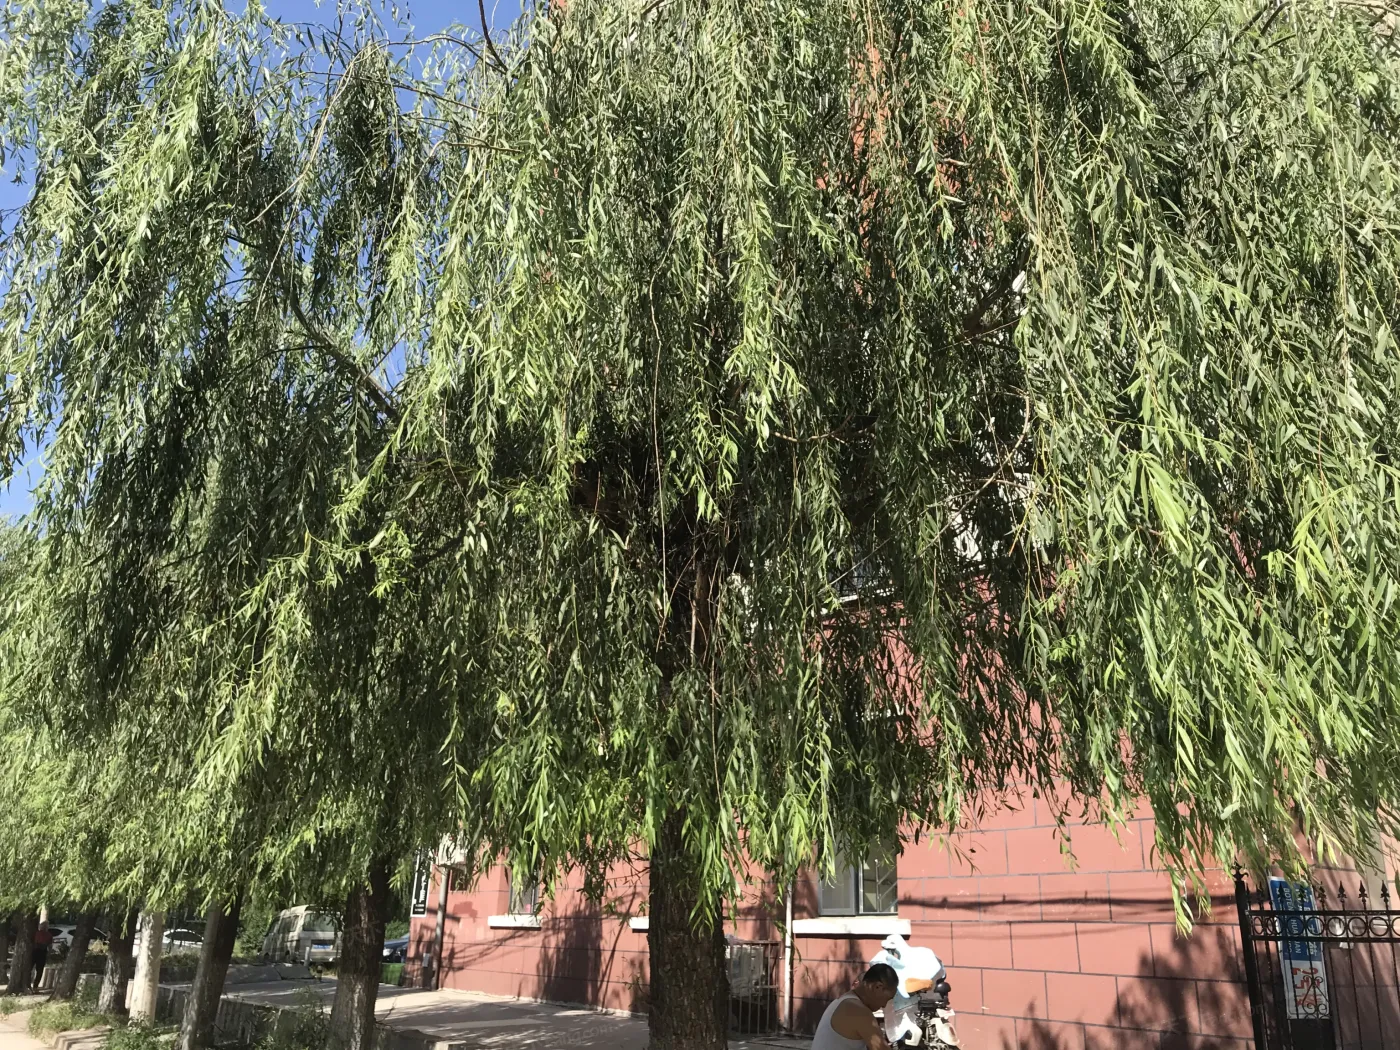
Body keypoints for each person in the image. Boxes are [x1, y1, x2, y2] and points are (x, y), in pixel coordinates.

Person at [812, 962, 900, 1050]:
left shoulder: (845, 1001)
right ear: (877, 987)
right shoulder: (858, 1011)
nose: (884, 1005)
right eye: (887, 999)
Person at [31, 920, 53, 988]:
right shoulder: (46, 934)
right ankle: (34, 985)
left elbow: (50, 945)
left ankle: (34, 985)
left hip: (38, 951)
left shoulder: (37, 933)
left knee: (35, 969)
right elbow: (50, 946)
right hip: (40, 952)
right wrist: (49, 953)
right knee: (38, 970)